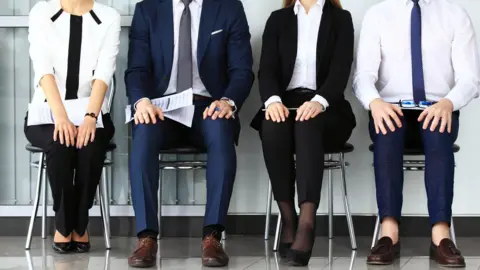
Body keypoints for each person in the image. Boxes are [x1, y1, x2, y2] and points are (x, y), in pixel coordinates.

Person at [125, 0, 254, 267]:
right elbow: (136, 70)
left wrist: (227, 101)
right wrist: (142, 102)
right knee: (144, 133)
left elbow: (241, 70)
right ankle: (146, 237)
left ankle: (212, 236)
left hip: (207, 105)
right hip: (163, 108)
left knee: (221, 130)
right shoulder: (147, 10)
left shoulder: (228, 8)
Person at [354, 0, 480, 267]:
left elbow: (470, 77)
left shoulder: (455, 14)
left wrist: (449, 103)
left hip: (438, 108)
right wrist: (374, 102)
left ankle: (441, 236)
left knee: (436, 132)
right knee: (388, 132)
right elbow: (363, 74)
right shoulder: (378, 14)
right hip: (391, 107)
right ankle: (389, 234)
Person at [251, 0, 356, 266]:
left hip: (328, 107)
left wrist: (319, 101)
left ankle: (307, 222)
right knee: (272, 124)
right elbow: (267, 69)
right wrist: (272, 101)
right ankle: (289, 218)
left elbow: (341, 69)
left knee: (308, 122)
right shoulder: (278, 19)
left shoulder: (341, 19)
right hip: (286, 103)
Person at [24, 0, 120, 253]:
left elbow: (104, 72)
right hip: (48, 112)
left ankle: (80, 223)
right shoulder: (41, 12)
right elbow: (43, 68)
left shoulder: (109, 17)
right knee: (60, 143)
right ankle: (65, 225)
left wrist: (90, 116)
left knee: (89, 145)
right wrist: (62, 117)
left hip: (93, 113)